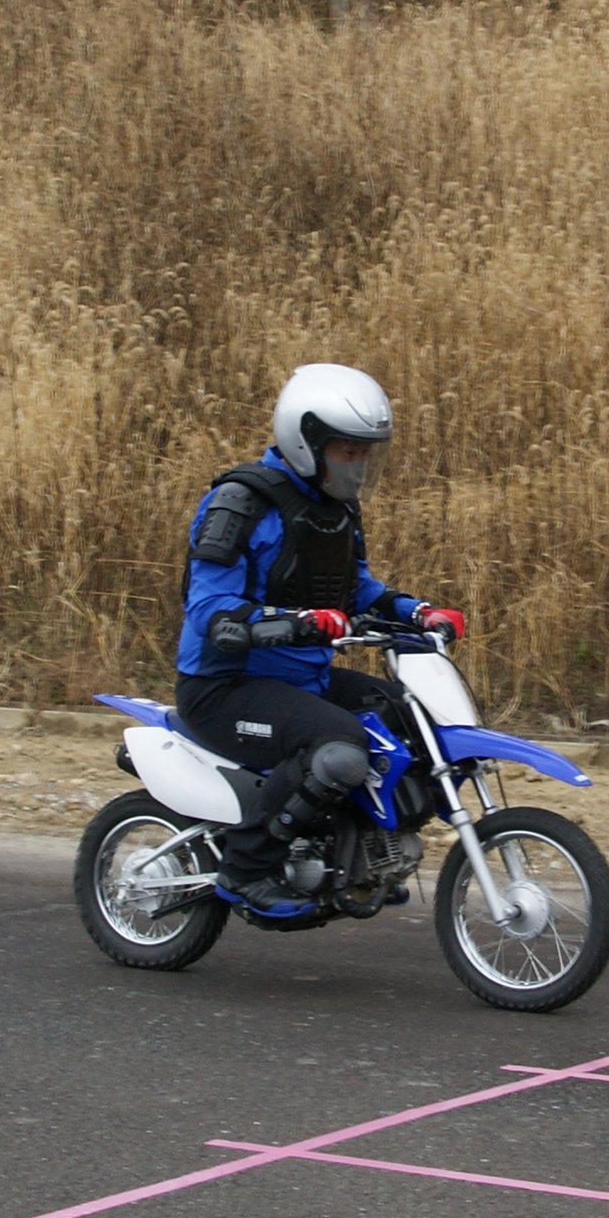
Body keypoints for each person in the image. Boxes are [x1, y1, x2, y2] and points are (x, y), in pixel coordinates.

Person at [175, 363, 465, 917]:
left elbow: (354, 590)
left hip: (303, 677)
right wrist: (297, 622)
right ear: (305, 442)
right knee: (338, 746)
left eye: (365, 454)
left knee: (408, 719)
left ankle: (359, 856)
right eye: (347, 453)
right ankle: (246, 868)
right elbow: (209, 610)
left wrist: (418, 612)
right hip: (224, 686)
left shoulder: (334, 511)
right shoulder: (238, 504)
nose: (357, 467)